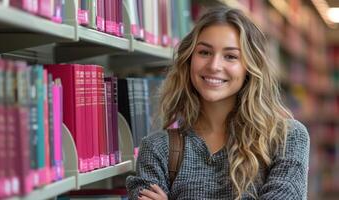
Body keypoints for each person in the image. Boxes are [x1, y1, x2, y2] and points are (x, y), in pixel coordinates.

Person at [126, 5, 310, 200]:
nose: (214, 66)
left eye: (230, 56)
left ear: (249, 67)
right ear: (189, 59)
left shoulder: (286, 138)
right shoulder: (157, 149)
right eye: (204, 52)